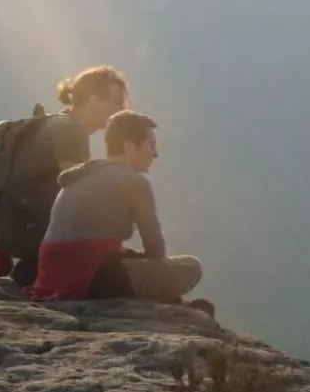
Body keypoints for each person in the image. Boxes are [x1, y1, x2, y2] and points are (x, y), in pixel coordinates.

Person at [27, 109, 204, 304]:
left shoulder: (81, 175)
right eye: (150, 145)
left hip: (51, 277)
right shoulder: (134, 182)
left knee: (134, 262)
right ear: (129, 147)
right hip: (94, 279)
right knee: (190, 266)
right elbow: (155, 250)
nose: (155, 154)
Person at [0, 66, 130, 287]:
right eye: (117, 102)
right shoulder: (70, 131)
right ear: (94, 99)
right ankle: (36, 271)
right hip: (29, 232)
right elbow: (78, 195)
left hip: (12, 228)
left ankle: (36, 269)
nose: (121, 109)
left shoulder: (56, 123)